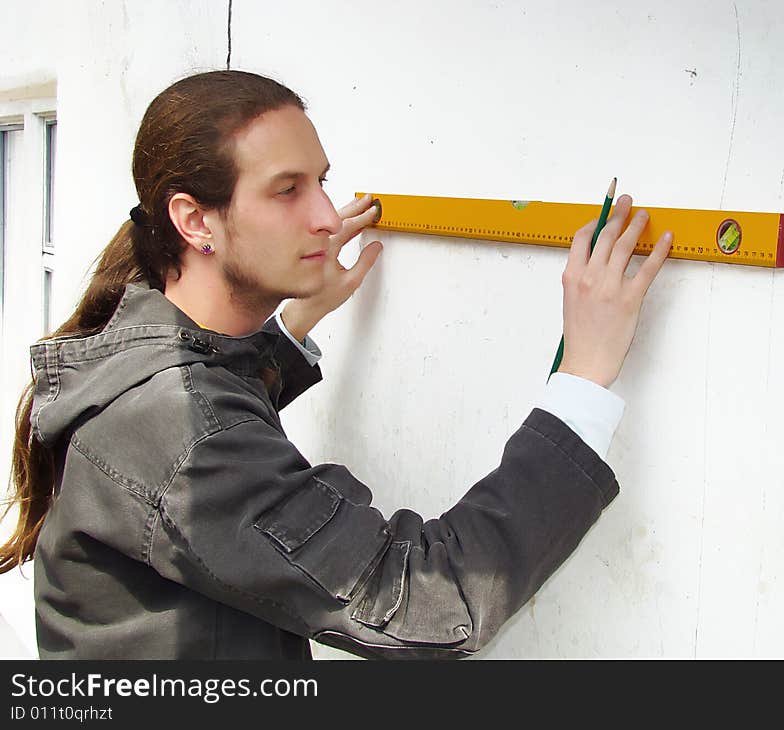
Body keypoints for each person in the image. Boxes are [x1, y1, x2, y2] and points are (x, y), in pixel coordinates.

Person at [0, 70, 673, 659]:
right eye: (286, 190)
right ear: (195, 222)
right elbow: (431, 606)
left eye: (321, 180)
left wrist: (291, 329)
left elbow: (204, 411)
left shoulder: (143, 351)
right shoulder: (183, 430)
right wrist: (583, 376)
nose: (326, 214)